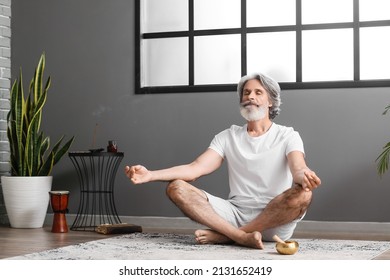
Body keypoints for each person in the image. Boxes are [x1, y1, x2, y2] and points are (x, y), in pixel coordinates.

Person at [125, 72, 321, 249]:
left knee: (304, 194)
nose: (250, 96)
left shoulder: (288, 135)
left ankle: (229, 236)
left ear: (271, 101)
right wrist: (150, 175)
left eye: (258, 92)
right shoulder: (227, 136)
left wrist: (305, 176)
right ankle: (239, 235)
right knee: (175, 187)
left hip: (276, 220)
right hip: (233, 215)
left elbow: (298, 167)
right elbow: (195, 168)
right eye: (246, 93)